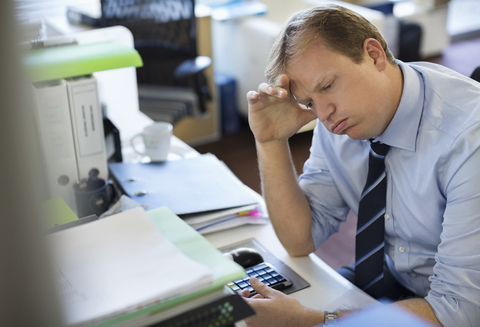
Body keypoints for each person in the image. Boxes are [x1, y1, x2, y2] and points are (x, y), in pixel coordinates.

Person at [242, 4, 480, 327]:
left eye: (327, 86)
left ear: (374, 55)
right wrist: (270, 141)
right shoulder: (339, 121)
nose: (323, 114)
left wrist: (315, 320)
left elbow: (459, 312)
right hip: (393, 278)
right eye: (310, 102)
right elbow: (300, 238)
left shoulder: (468, 138)